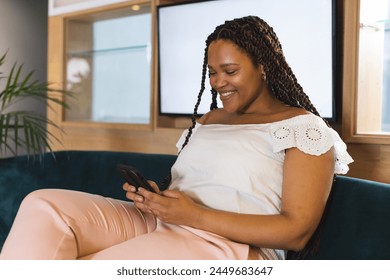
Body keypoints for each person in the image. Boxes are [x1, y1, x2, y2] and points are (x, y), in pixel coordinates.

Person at [0, 15, 353, 260]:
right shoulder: (210, 120)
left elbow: (296, 232)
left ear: (265, 65)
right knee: (43, 205)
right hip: (166, 221)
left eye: (230, 71)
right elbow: (202, 183)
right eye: (212, 73)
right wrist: (158, 199)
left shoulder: (303, 128)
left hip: (230, 246)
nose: (217, 83)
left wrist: (193, 215)